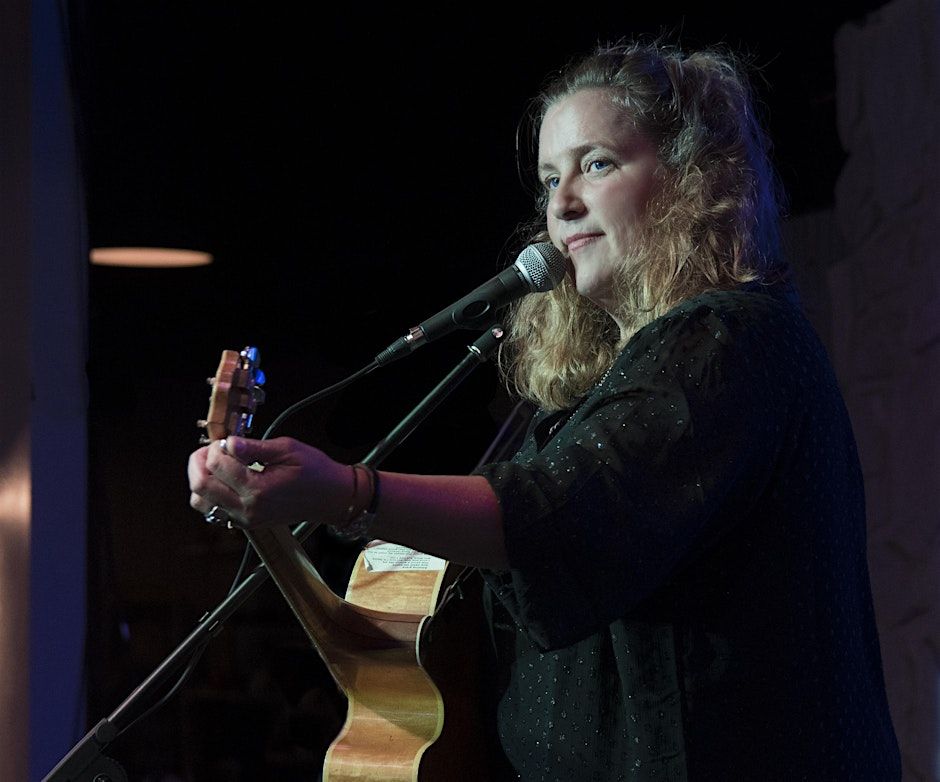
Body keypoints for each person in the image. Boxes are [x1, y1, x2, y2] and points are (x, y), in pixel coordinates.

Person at [188, 38, 901, 781]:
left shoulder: (732, 338)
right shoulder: (591, 395)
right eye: (549, 178)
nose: (561, 204)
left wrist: (347, 491)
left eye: (597, 164)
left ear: (692, 179)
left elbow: (556, 516)